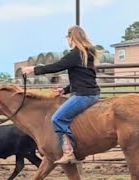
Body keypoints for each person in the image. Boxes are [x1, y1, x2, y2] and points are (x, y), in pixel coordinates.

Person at [22, 25, 100, 164]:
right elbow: (85, 79)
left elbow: (56, 67)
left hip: (83, 95)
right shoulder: (87, 54)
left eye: (67, 37)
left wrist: (33, 69)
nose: (67, 40)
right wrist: (64, 90)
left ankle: (68, 151)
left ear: (71, 37)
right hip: (91, 93)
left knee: (57, 118)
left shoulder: (75, 54)